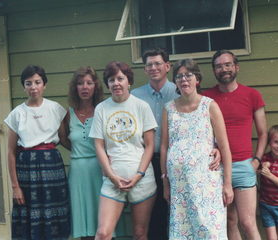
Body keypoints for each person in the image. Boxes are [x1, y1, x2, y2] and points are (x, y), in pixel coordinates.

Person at [131, 48, 221, 239]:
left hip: (185, 170)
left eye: (157, 63)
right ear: (145, 69)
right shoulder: (136, 96)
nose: (153, 68)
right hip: (146, 163)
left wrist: (216, 147)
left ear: (167, 66)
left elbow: (204, 127)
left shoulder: (180, 87)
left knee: (190, 217)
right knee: (156, 218)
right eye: (149, 64)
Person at [160, 59, 233, 239]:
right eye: (179, 76)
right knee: (183, 232)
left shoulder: (209, 106)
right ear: (175, 81)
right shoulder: (168, 109)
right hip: (179, 185)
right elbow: (164, 147)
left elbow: (224, 147)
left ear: (197, 79)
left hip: (206, 183)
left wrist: (227, 184)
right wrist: (165, 183)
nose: (184, 80)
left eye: (188, 75)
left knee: (209, 229)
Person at [203, 49, 268, 240]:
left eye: (227, 64)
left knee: (248, 222)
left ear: (236, 67)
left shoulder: (252, 95)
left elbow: (263, 133)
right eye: (218, 66)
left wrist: (256, 160)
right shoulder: (206, 98)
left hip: (243, 166)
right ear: (214, 71)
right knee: (229, 220)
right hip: (217, 168)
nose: (223, 69)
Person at [89, 61, 157, 240]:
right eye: (111, 80)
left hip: (142, 179)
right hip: (112, 181)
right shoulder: (101, 109)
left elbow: (150, 145)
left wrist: (139, 174)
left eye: (120, 78)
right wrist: (111, 176)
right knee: (103, 233)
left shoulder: (141, 106)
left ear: (129, 81)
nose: (116, 83)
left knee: (140, 233)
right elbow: (99, 145)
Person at [5, 65, 70, 240]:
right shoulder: (17, 114)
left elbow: (64, 140)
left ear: (44, 85)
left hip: (52, 167)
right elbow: (11, 152)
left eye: (37, 82)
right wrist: (15, 186)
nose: (33, 87)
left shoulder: (56, 108)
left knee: (53, 215)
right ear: (23, 87)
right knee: (29, 215)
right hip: (27, 170)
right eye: (28, 83)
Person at [58, 66, 104, 239]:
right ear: (75, 88)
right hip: (78, 172)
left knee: (103, 222)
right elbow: (63, 139)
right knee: (83, 224)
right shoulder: (68, 114)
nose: (84, 87)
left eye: (89, 83)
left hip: (100, 170)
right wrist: (79, 151)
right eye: (80, 83)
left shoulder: (103, 110)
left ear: (95, 86)